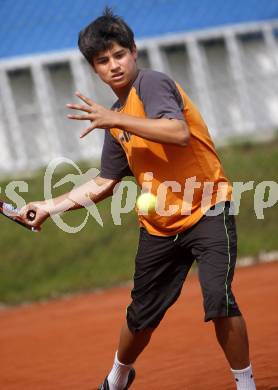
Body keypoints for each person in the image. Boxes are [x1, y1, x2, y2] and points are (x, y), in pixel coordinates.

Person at [20, 8, 256, 390]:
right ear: (94, 69)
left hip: (208, 207)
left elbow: (177, 131)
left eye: (119, 54)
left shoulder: (152, 84)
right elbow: (103, 184)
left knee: (219, 299)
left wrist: (116, 121)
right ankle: (117, 378)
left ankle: (246, 385)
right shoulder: (115, 119)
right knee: (140, 316)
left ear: (135, 52)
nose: (113, 65)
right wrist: (48, 207)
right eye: (102, 60)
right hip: (160, 226)